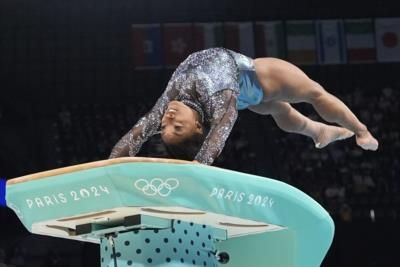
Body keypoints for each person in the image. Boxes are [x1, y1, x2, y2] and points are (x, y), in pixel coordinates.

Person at [109, 47, 378, 165]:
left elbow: (136, 135)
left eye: (166, 126)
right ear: (198, 125)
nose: (167, 117)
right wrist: (199, 169)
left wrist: (109, 165)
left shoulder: (169, 104)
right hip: (258, 83)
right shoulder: (219, 98)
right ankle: (339, 131)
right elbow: (216, 140)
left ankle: (346, 130)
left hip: (254, 84)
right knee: (296, 101)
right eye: (177, 126)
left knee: (294, 103)